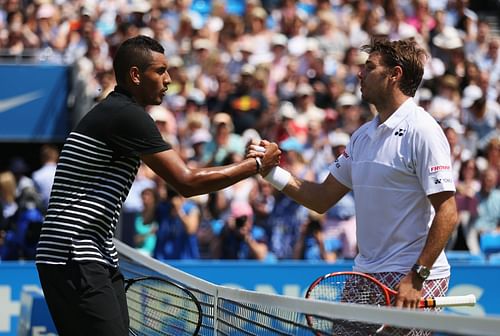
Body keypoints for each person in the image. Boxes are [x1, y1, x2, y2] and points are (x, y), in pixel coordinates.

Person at [35, 35, 280, 336]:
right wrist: (256, 166)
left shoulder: (117, 112)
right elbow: (186, 181)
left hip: (90, 252)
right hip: (73, 253)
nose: (168, 80)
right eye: (160, 71)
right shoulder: (127, 116)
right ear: (135, 76)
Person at [252, 39, 458, 315]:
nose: (360, 73)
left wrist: (416, 277)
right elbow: (321, 198)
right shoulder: (361, 137)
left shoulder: (423, 131)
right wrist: (271, 172)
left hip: (413, 276)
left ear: (394, 75)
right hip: (367, 275)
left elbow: (447, 212)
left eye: (369, 67)